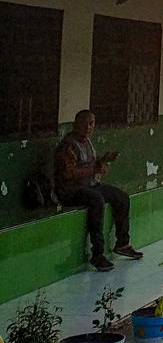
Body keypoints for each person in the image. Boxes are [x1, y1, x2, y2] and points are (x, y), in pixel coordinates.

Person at [54, 110, 143, 271]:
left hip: (91, 186)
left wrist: (103, 161)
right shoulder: (69, 145)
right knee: (97, 201)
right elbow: (68, 173)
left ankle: (123, 243)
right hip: (72, 190)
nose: (89, 127)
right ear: (77, 124)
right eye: (86, 123)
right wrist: (94, 169)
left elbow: (89, 164)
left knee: (122, 198)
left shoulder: (87, 142)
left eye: (92, 124)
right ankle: (97, 254)